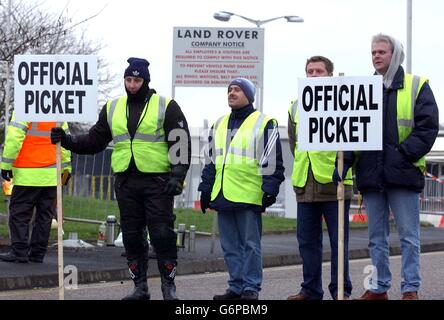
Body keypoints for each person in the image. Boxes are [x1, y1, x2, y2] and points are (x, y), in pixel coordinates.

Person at [51, 57, 191, 300]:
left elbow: (180, 141)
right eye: (128, 79)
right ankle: (140, 288)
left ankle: (169, 287)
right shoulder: (113, 107)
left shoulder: (165, 105)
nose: (132, 84)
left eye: (137, 80)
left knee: (161, 234)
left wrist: (178, 175)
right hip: (126, 182)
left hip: (158, 182)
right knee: (132, 236)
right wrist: (68, 140)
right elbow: (95, 140)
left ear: (146, 81)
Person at [346, 34, 439, 300]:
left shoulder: (417, 86)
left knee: (409, 236)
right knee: (376, 237)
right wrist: (348, 163)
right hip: (371, 175)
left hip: (403, 174)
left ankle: (410, 288)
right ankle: (378, 287)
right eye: (373, 52)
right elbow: (353, 131)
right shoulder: (363, 89)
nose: (376, 56)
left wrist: (402, 156)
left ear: (394, 54)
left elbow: (427, 127)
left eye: (381, 52)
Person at [198, 78, 285, 300]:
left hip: (249, 194)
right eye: (229, 90)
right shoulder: (218, 124)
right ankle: (235, 286)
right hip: (222, 193)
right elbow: (210, 162)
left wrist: (269, 191)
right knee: (229, 246)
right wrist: (205, 190)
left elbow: (273, 162)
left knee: (250, 245)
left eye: (237, 90)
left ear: (249, 95)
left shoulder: (264, 123)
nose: (232, 93)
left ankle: (251, 288)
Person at [286, 56, 353, 300]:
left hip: (333, 183)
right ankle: (311, 290)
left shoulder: (343, 100)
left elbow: (354, 138)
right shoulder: (295, 105)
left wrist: (342, 167)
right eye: (309, 71)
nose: (313, 75)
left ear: (330, 75)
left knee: (339, 243)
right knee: (307, 243)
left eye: (319, 71)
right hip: (305, 183)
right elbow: (294, 143)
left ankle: (341, 291)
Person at [0, 115, 71, 264]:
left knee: (20, 213)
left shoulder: (25, 106)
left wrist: (6, 165)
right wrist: (66, 169)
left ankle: (19, 252)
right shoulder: (57, 113)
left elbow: (14, 138)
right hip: (51, 176)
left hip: (27, 174)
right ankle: (37, 254)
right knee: (44, 216)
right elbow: (65, 143)